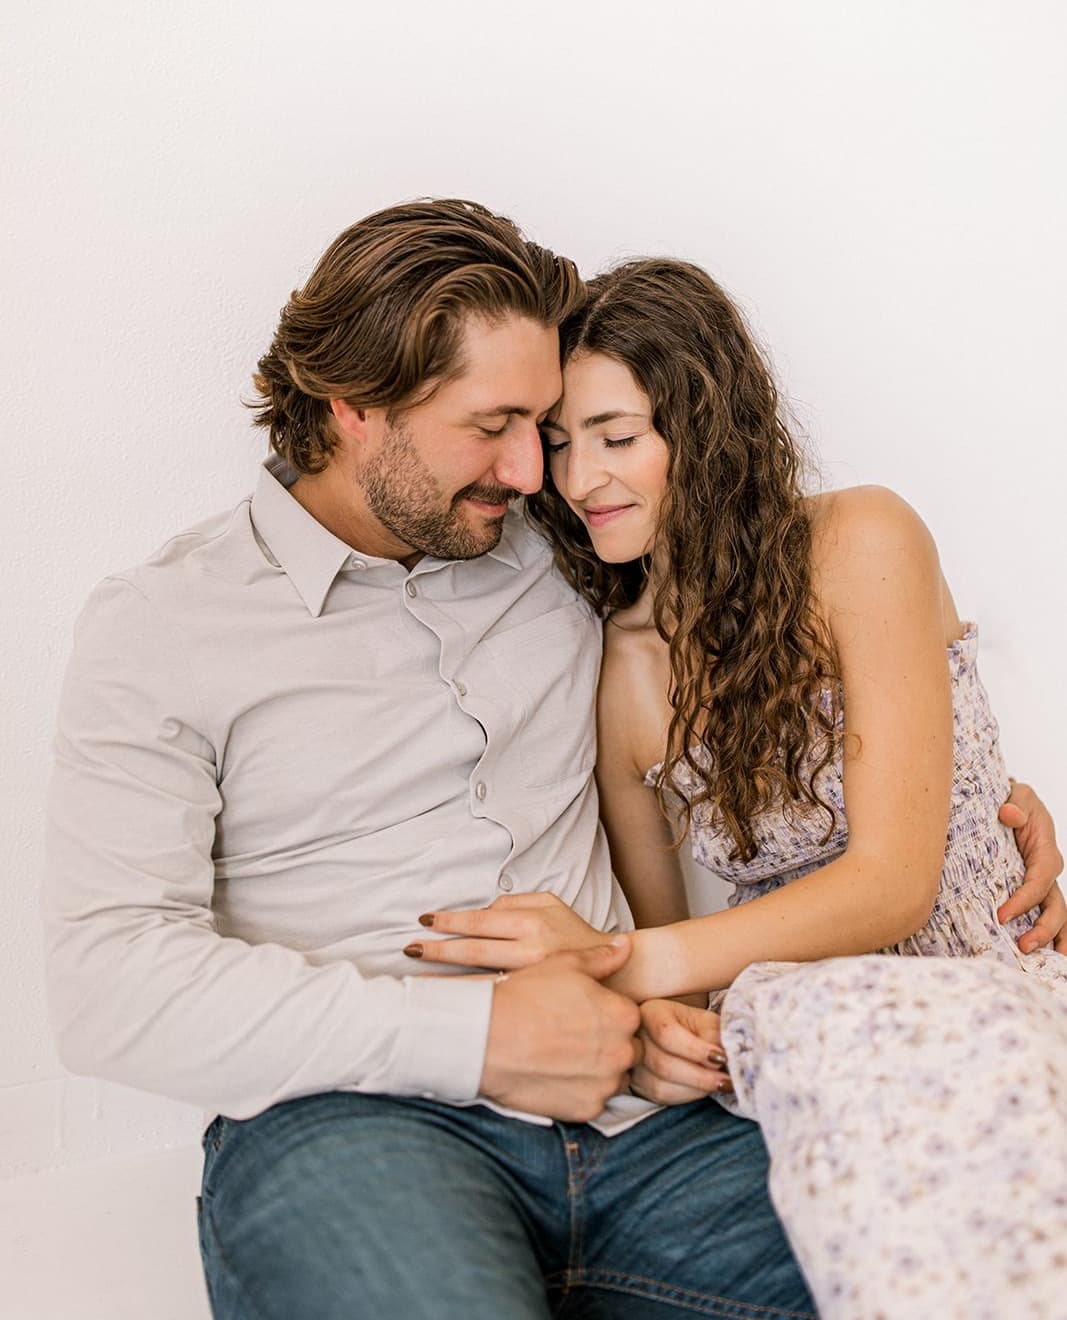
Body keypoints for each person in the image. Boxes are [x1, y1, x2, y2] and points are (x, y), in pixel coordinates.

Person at [45, 206, 1059, 1320]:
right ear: (354, 409)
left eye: (549, 425)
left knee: (978, 1255)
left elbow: (766, 638)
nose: (536, 469)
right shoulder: (164, 623)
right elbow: (106, 984)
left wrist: (977, 796)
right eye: (496, 424)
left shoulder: (553, 547)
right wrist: (480, 1039)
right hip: (361, 1121)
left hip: (658, 1116)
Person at [410, 257, 1067, 1319]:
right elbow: (670, 969)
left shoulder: (860, 540)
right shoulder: (624, 672)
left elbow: (894, 880)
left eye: (618, 437)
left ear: (702, 431)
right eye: (564, 445)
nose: (581, 481)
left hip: (993, 987)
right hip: (821, 1032)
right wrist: (659, 1010)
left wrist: (617, 960)